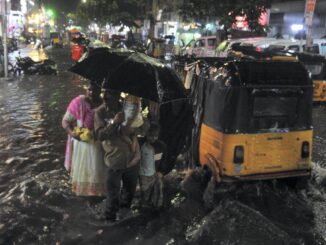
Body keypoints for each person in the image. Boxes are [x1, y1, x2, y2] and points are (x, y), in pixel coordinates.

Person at [94, 90, 142, 222]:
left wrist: (135, 125)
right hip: (114, 159)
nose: (105, 97)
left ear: (117, 95)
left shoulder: (128, 106)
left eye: (109, 95)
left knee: (129, 191)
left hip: (132, 160)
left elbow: (140, 129)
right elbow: (99, 135)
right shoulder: (100, 112)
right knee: (112, 195)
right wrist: (114, 123)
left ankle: (125, 217)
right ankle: (109, 221)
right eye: (104, 94)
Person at [62, 81, 106, 196]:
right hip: (83, 143)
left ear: (100, 91)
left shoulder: (104, 104)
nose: (91, 92)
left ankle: (96, 193)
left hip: (98, 142)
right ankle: (84, 193)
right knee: (86, 169)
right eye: (89, 89)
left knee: (97, 168)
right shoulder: (78, 102)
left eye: (95, 90)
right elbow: (65, 121)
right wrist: (72, 134)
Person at [139, 122, 166, 209]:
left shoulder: (161, 146)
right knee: (145, 191)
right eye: (151, 135)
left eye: (156, 136)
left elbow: (164, 160)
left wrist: (161, 171)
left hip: (154, 173)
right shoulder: (140, 144)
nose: (153, 138)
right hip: (142, 174)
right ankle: (143, 205)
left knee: (155, 191)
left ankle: (152, 205)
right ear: (146, 133)